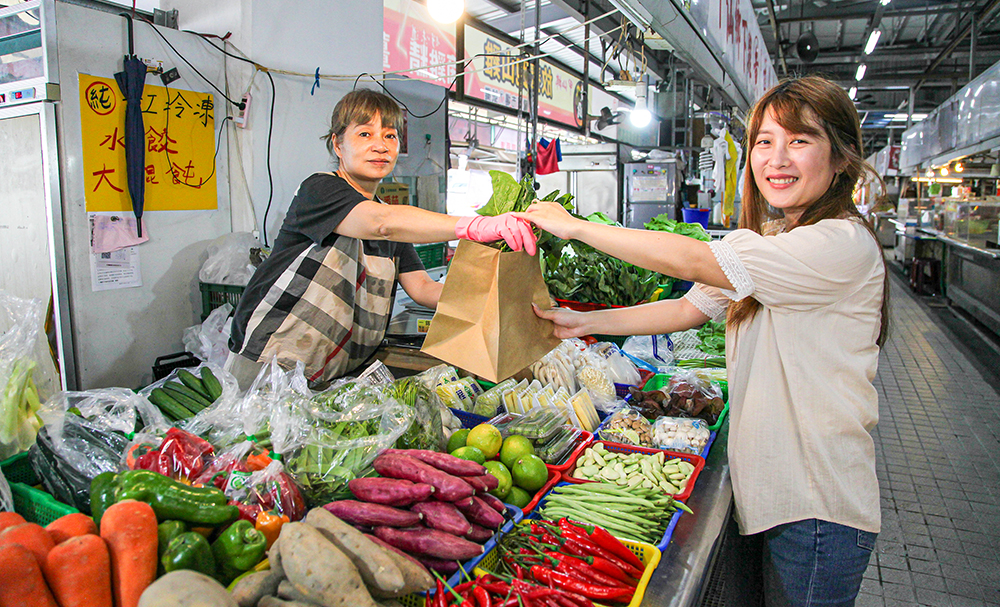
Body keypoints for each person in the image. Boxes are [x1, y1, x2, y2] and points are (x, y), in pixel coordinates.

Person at [516, 75, 888, 607]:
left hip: (817, 504)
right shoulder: (782, 237)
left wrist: (576, 227)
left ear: (841, 158)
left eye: (799, 141)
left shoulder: (839, 242)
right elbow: (688, 307)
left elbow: (697, 260)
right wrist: (582, 323)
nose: (776, 159)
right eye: (764, 141)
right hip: (784, 496)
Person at [226, 89, 536, 389]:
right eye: (365, 134)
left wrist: (499, 302)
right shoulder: (319, 191)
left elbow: (423, 288)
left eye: (390, 136)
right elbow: (380, 224)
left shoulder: (390, 219)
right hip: (270, 364)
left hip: (331, 372)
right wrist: (477, 226)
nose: (380, 146)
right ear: (337, 144)